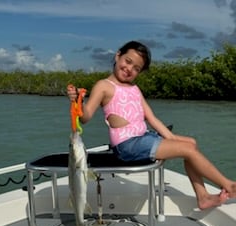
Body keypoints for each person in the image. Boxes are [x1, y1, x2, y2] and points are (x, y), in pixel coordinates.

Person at [68, 40, 236, 210]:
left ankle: (203, 197)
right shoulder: (104, 86)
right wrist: (76, 101)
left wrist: (173, 139)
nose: (129, 69)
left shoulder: (134, 89)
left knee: (190, 143)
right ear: (118, 55)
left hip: (144, 137)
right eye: (128, 61)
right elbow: (85, 117)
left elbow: (152, 118)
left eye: (136, 69)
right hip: (127, 145)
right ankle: (228, 186)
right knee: (188, 150)